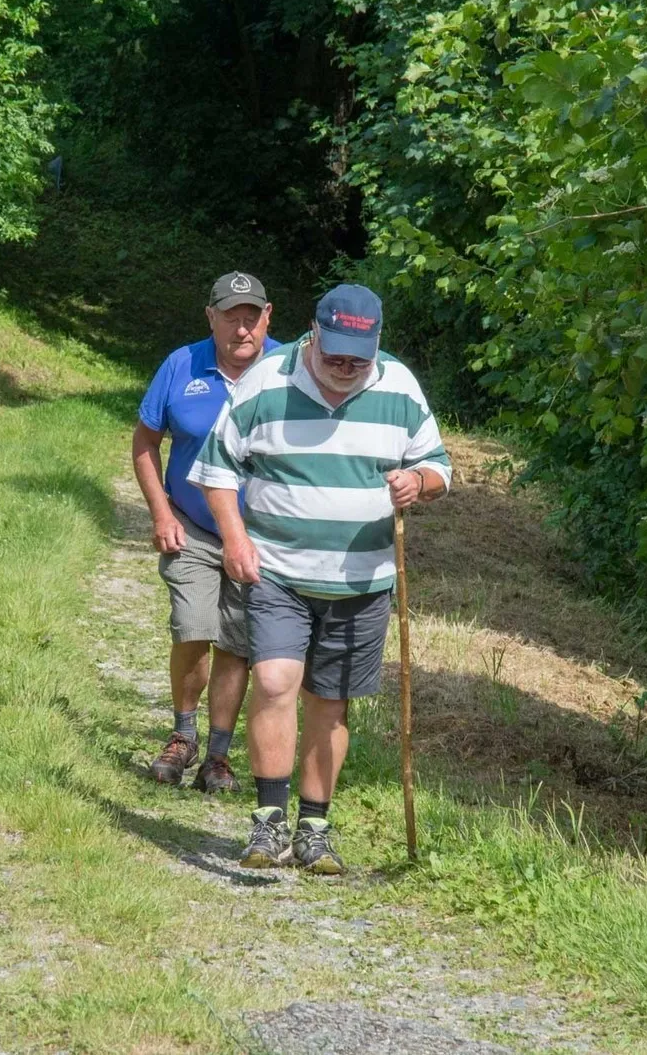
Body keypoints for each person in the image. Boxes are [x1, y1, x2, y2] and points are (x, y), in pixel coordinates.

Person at [189, 283, 450, 873]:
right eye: (335, 356)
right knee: (275, 681)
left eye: (359, 360)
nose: (345, 369)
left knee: (330, 704)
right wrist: (235, 539)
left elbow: (438, 465)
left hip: (362, 581)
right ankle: (268, 823)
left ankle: (314, 828)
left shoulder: (399, 385)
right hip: (278, 570)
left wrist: (419, 483)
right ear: (313, 333)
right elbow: (217, 468)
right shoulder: (267, 381)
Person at [132, 272, 282, 791]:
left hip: (258, 534)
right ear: (210, 317)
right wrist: (161, 514)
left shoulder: (290, 370)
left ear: (267, 317)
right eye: (231, 318)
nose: (242, 329)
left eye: (251, 318)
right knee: (193, 627)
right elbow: (145, 443)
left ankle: (218, 755)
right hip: (192, 527)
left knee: (237, 641)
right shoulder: (182, 364)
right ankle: (183, 734)